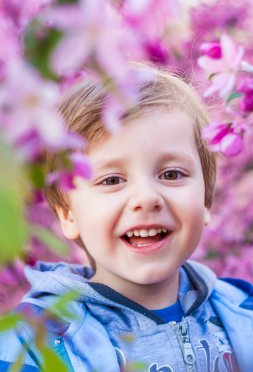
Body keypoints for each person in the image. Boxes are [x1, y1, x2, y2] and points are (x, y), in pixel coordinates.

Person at [0, 64, 253, 372]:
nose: (146, 197)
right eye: (111, 180)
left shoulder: (243, 311)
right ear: (68, 214)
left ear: (206, 200)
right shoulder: (35, 343)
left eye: (171, 174)